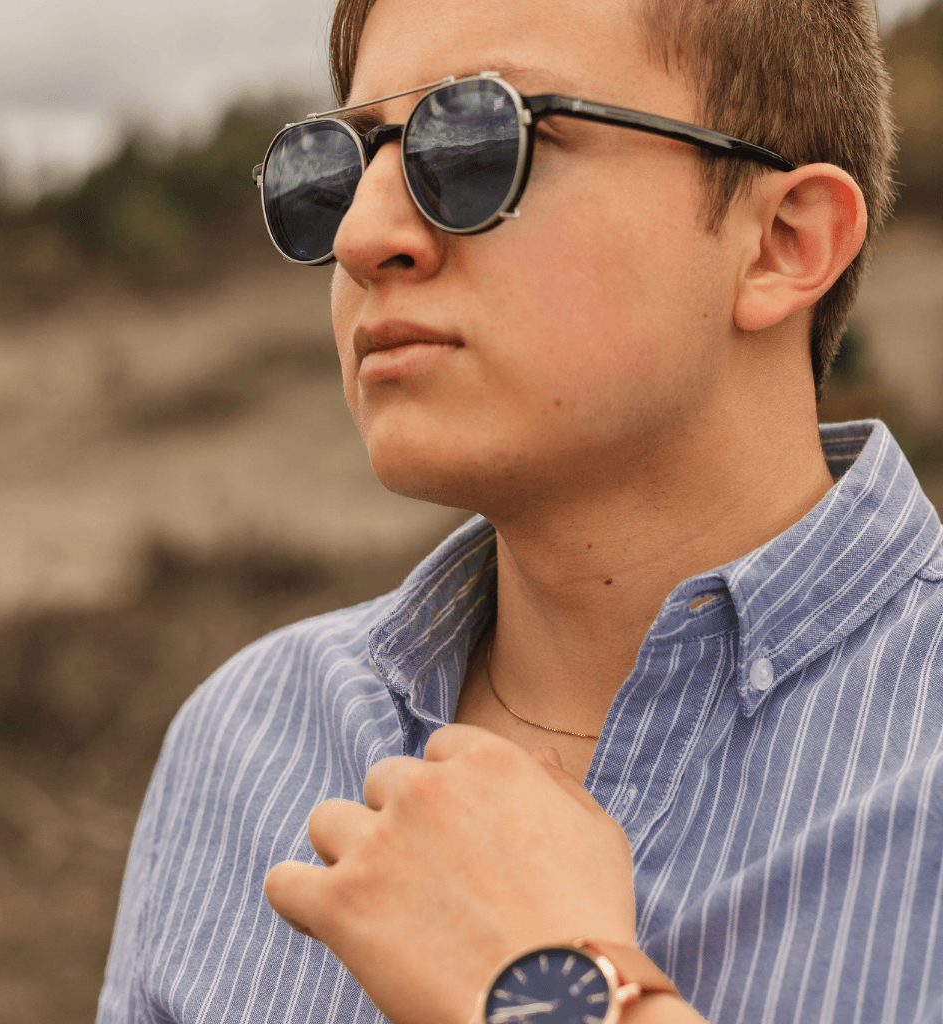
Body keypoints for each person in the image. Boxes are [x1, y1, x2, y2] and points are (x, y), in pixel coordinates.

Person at [97, 0, 943, 1020]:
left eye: (477, 138)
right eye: (338, 167)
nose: (362, 236)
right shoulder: (243, 744)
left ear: (781, 241)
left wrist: (549, 983)